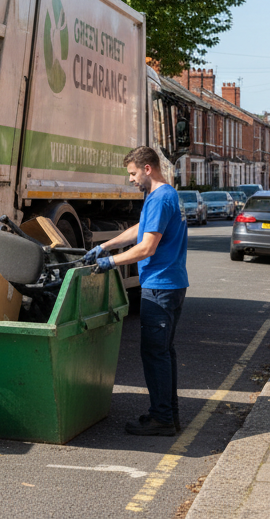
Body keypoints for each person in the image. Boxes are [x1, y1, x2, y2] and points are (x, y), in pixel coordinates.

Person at [82, 146, 189, 437]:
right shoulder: (168, 195)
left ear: (147, 169)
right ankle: (168, 413)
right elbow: (141, 229)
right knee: (164, 353)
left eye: (132, 173)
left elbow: (147, 247)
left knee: (155, 354)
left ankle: (162, 418)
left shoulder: (158, 198)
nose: (130, 179)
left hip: (160, 287)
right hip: (172, 283)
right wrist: (106, 245)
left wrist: (110, 262)